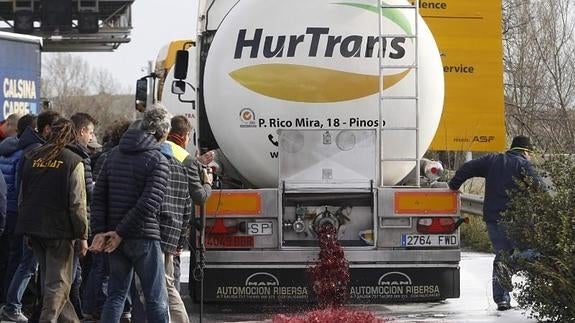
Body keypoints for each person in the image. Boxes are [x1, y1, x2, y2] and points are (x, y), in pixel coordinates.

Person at [90, 106, 170, 323]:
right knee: (155, 298)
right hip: (142, 236)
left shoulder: (113, 155)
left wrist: (102, 231)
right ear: (160, 133)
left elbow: (99, 197)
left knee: (115, 295)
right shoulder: (158, 160)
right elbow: (149, 204)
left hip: (114, 238)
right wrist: (120, 232)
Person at [448, 135, 546, 311]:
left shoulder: (492, 160)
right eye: (530, 153)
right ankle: (511, 266)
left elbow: (467, 168)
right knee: (536, 251)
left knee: (501, 256)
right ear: (525, 152)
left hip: (493, 218)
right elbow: (541, 188)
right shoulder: (524, 165)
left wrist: (454, 185)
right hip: (516, 220)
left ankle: (502, 299)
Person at [16, 118, 88, 322]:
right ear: (72, 136)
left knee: (49, 282)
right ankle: (47, 320)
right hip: (59, 231)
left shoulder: (32, 157)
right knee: (58, 284)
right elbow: (77, 204)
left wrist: (27, 228)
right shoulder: (73, 161)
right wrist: (82, 235)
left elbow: (24, 196)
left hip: (34, 227)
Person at [0, 111, 61, 322]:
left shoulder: (10, 149)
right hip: (23, 214)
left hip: (10, 211)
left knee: (15, 259)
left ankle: (10, 303)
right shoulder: (33, 152)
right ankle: (13, 305)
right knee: (27, 263)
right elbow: (21, 188)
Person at [163, 115, 213, 292]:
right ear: (185, 135)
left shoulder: (159, 148)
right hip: (174, 224)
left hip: (153, 223)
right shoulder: (187, 159)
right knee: (171, 277)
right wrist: (207, 182)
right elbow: (200, 196)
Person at [0, 114, 37, 307]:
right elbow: (18, 184)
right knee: (18, 259)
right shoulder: (24, 154)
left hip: (6, 208)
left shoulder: (4, 149)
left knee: (8, 257)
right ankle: (11, 302)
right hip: (15, 210)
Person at [69, 112, 98, 320]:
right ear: (81, 131)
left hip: (54, 225)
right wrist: (84, 233)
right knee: (73, 276)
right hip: (76, 226)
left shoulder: (60, 153)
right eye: (90, 132)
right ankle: (74, 314)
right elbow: (85, 197)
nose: (91, 137)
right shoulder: (80, 158)